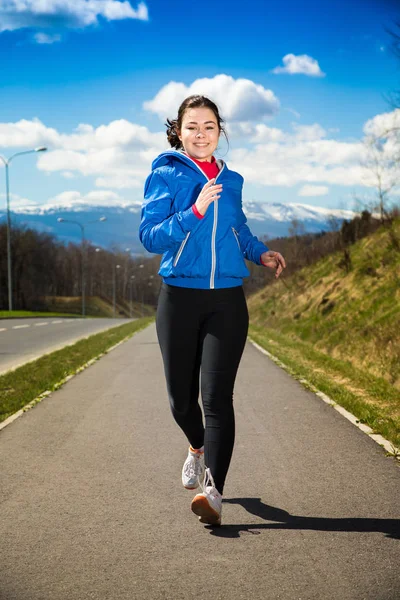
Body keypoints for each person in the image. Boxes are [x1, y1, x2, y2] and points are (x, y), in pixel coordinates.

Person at [139, 95, 286, 526]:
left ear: (219, 131)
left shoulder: (233, 179)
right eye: (192, 126)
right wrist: (195, 210)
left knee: (217, 398)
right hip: (178, 298)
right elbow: (150, 236)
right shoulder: (164, 174)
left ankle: (214, 493)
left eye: (209, 126)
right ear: (179, 132)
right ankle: (196, 448)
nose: (201, 134)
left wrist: (259, 254)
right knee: (181, 402)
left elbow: (238, 228)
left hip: (226, 300)